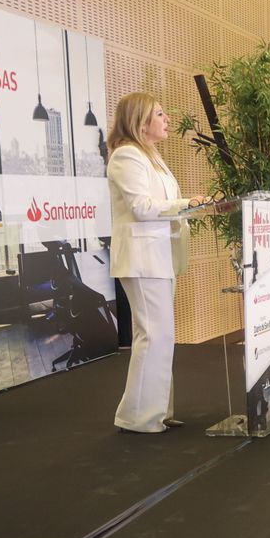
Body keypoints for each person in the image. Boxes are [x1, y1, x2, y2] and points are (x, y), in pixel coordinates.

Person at [108, 92, 210, 434]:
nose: (167, 120)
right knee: (154, 335)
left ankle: (156, 412)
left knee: (160, 336)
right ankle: (139, 417)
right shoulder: (127, 155)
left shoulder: (150, 155)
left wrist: (194, 206)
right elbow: (142, 207)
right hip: (143, 259)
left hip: (160, 257)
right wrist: (186, 203)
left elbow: (165, 205)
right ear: (140, 121)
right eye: (160, 114)